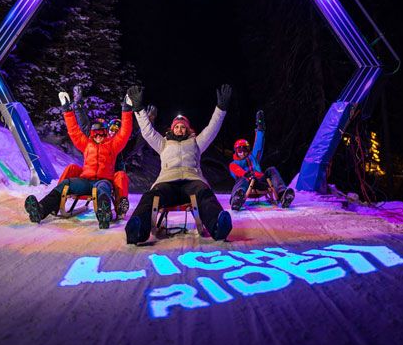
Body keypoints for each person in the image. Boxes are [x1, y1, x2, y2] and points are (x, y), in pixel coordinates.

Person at [124, 84, 234, 244]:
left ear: (188, 130)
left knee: (204, 193)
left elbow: (212, 129)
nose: (180, 129)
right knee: (150, 196)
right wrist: (139, 109)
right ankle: (137, 228)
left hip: (192, 181)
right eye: (177, 126)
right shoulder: (163, 143)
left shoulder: (196, 143)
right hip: (167, 183)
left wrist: (221, 109)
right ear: (172, 129)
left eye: (183, 127)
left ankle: (217, 224)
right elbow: (147, 131)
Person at [24, 87, 133, 229]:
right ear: (92, 134)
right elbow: (74, 130)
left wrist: (126, 109)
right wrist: (66, 109)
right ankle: (41, 209)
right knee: (66, 184)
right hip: (85, 181)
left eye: (101, 133)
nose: (98, 136)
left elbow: (125, 132)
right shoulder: (87, 144)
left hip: (103, 180)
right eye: (96, 134)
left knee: (103, 189)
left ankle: (103, 214)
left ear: (105, 133)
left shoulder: (113, 145)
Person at [57, 86, 157, 220]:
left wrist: (148, 121)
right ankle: (55, 199)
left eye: (117, 127)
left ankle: (119, 206)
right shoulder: (96, 140)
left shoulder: (120, 146)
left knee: (120, 176)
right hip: (91, 176)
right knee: (71, 168)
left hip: (111, 178)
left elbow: (138, 140)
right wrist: (78, 105)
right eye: (112, 127)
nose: (114, 130)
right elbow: (83, 128)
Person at [229, 110, 295, 210]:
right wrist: (246, 174)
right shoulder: (234, 164)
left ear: (248, 150)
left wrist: (260, 128)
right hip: (245, 184)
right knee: (242, 179)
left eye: (245, 149)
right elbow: (236, 170)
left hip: (260, 181)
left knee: (271, 169)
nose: (242, 152)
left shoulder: (253, 157)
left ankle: (282, 194)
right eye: (239, 150)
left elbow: (258, 145)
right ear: (236, 151)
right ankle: (237, 198)